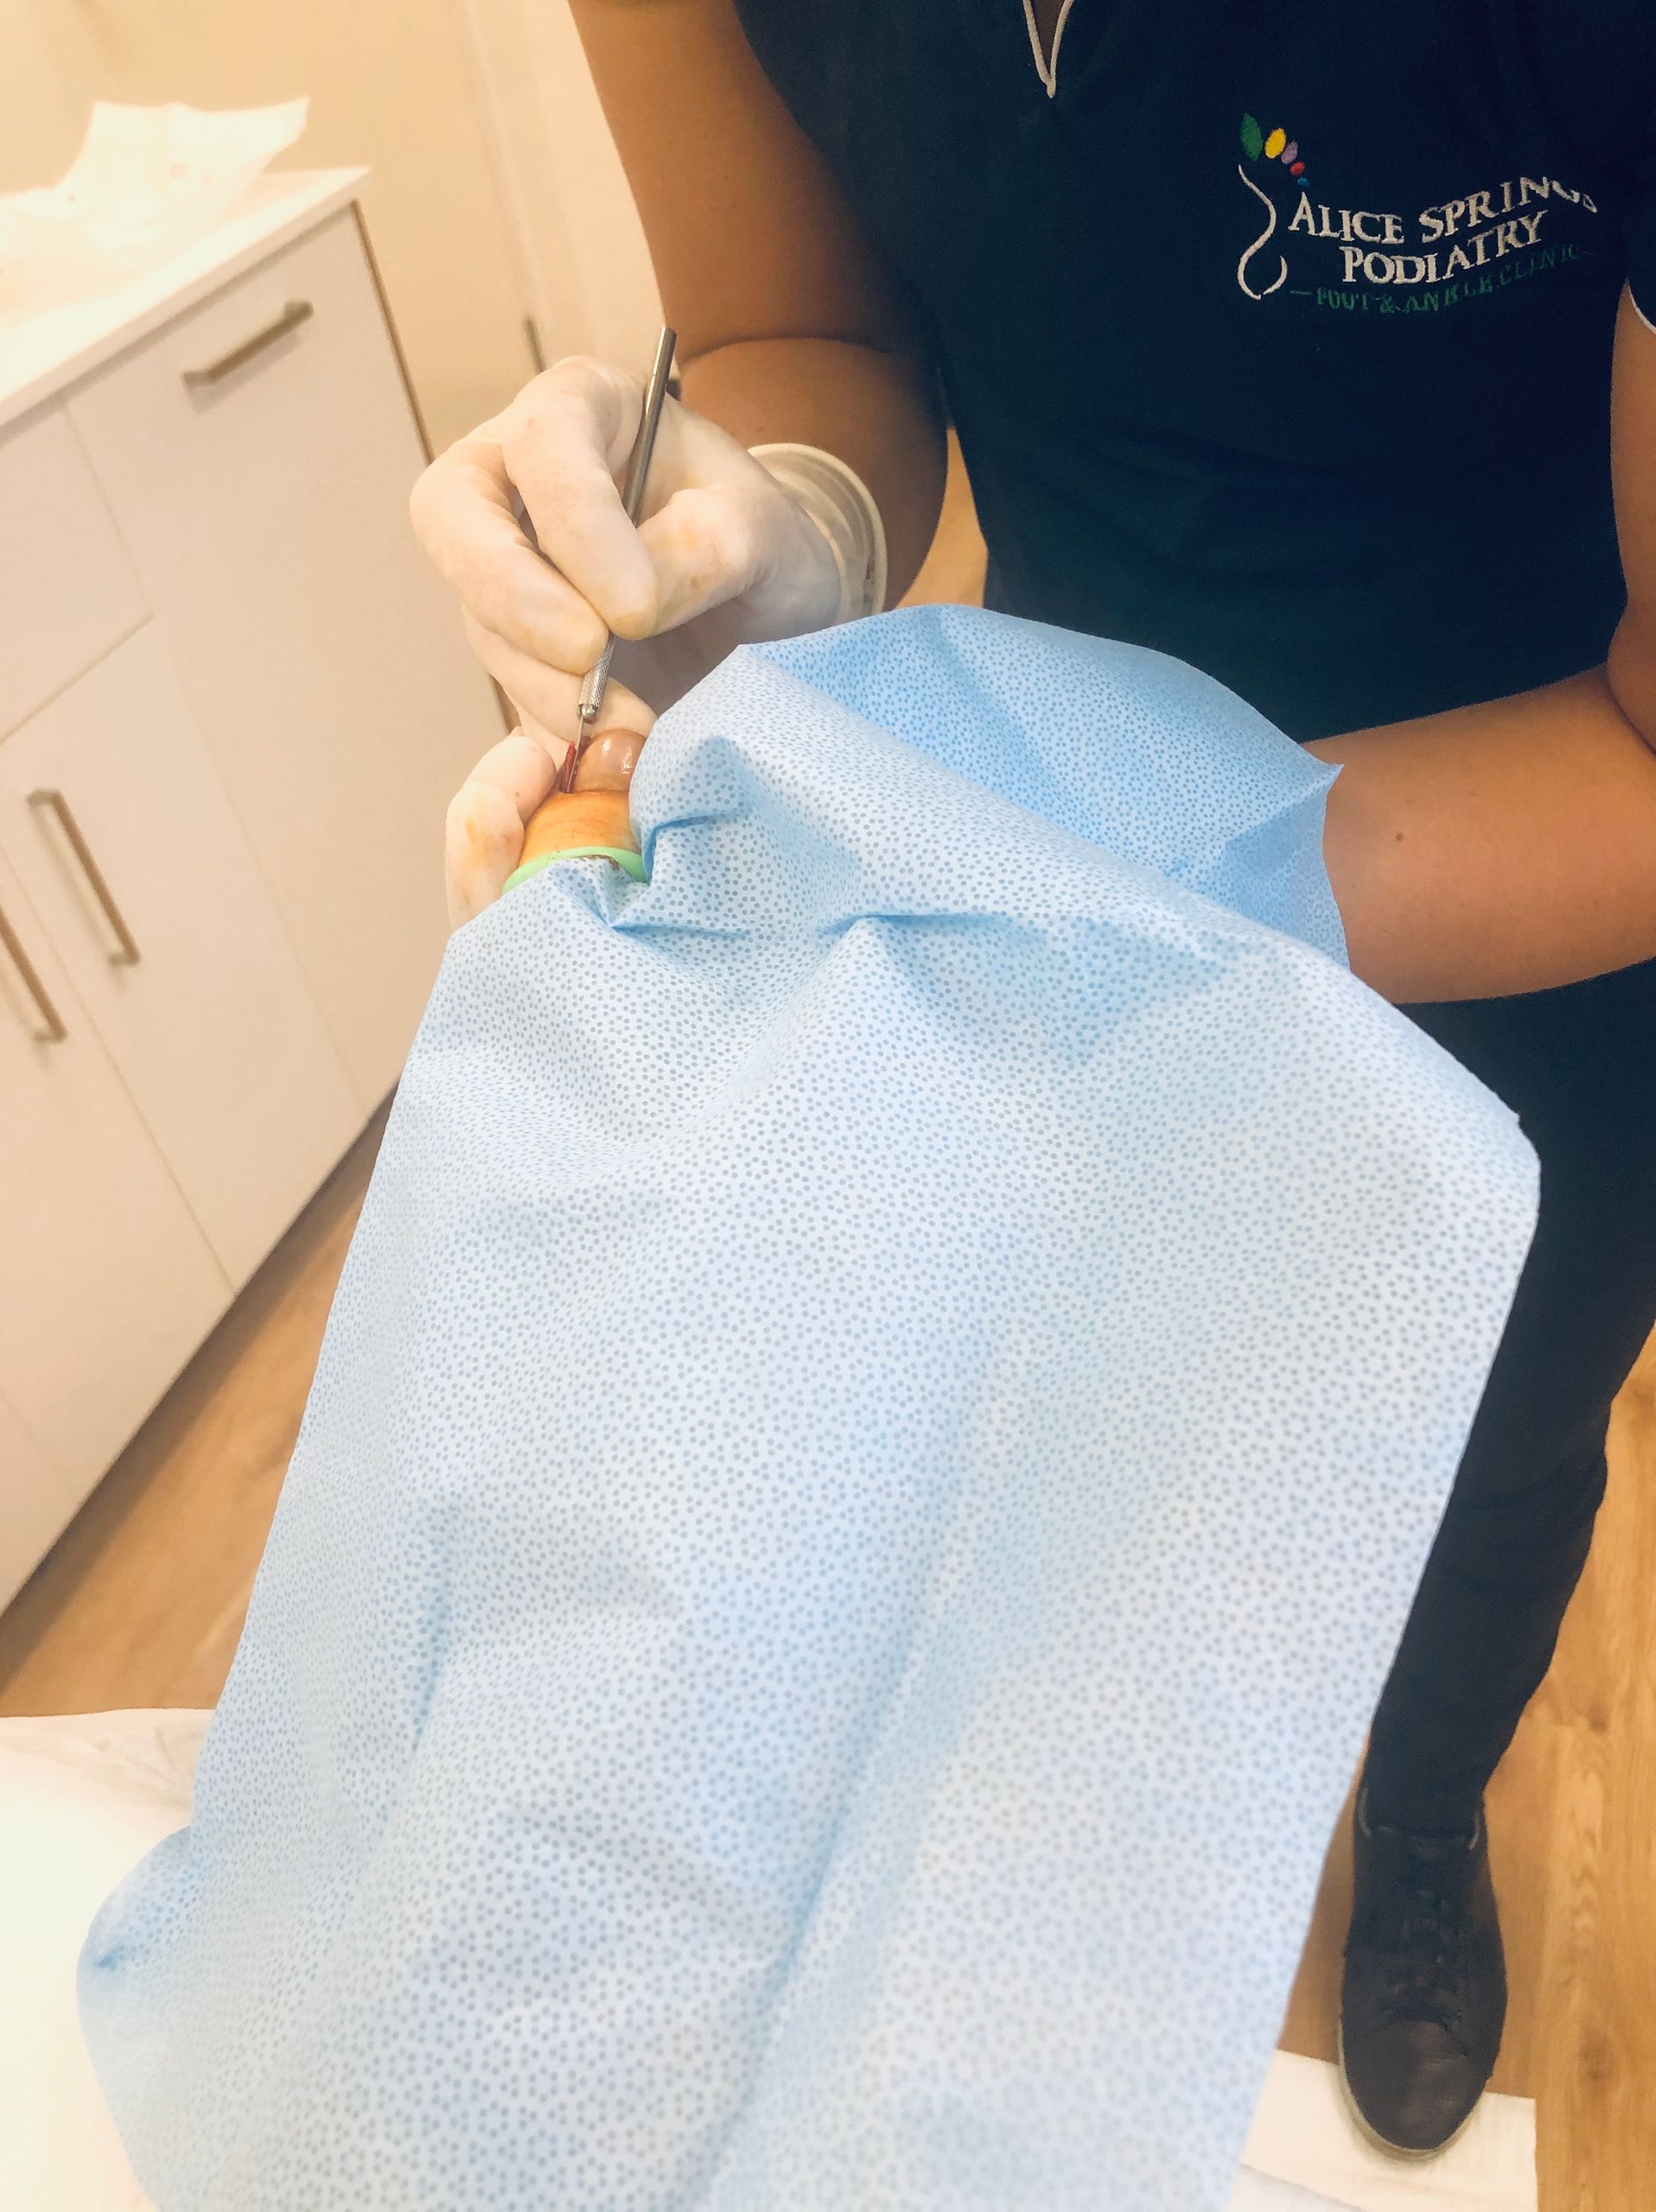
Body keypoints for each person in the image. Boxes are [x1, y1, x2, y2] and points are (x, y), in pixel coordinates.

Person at [410, 0, 1656, 2159]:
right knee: (1113, 1414)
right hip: (1062, 793)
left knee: (1495, 1435)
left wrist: (1093, 853)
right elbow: (808, 327)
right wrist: (774, 527)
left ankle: (1426, 1814)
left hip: (1549, 841)